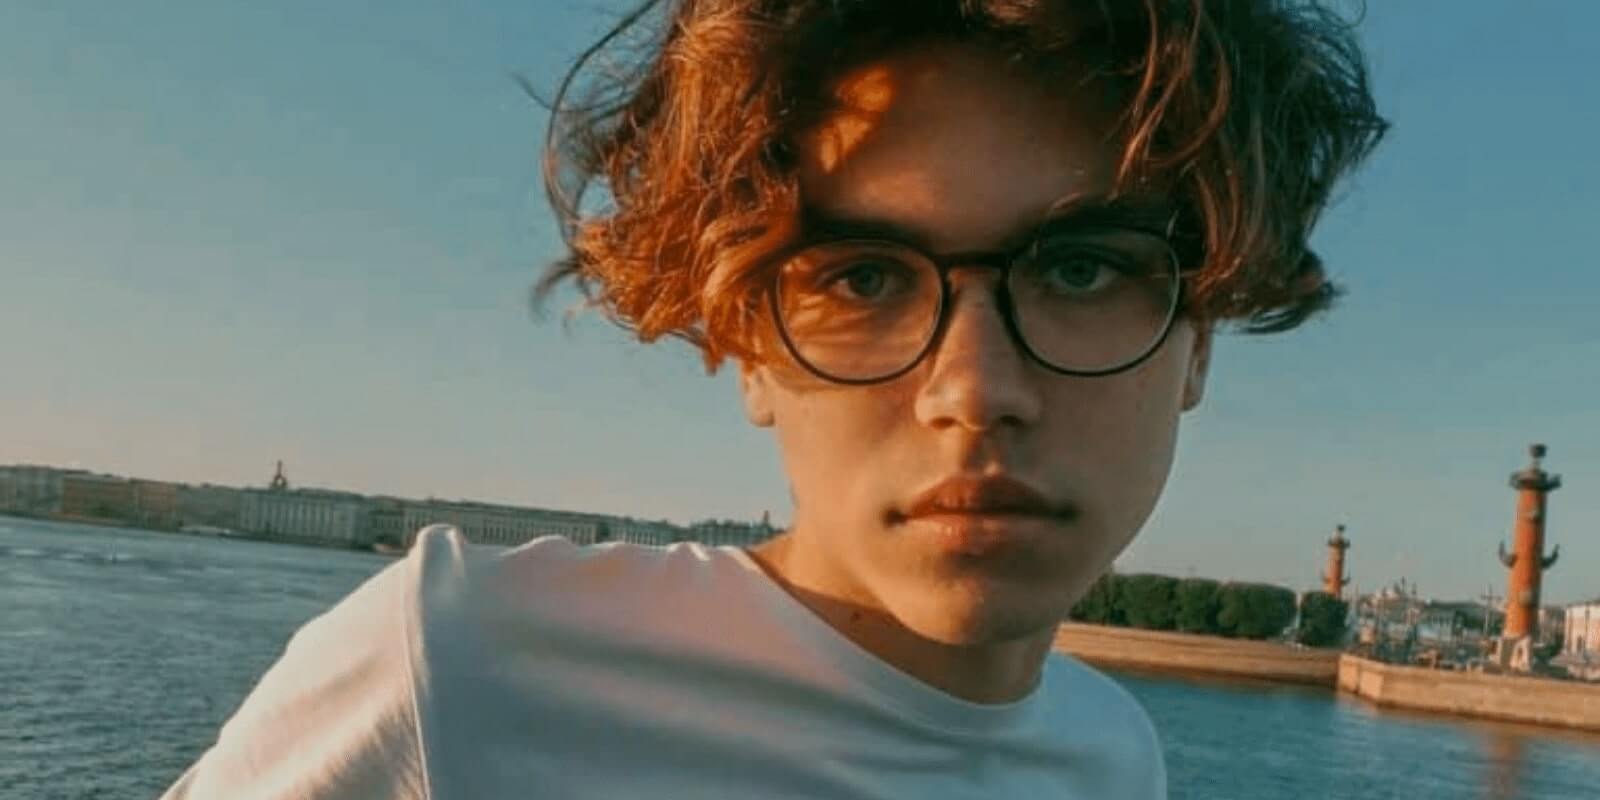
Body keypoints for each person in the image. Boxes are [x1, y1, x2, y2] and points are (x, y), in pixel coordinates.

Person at [161, 1, 1386, 797]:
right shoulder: (459, 671)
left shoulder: (1114, 759)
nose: (975, 389)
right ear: (747, 345)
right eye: (859, 276)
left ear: (1202, 336)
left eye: (1082, 268)